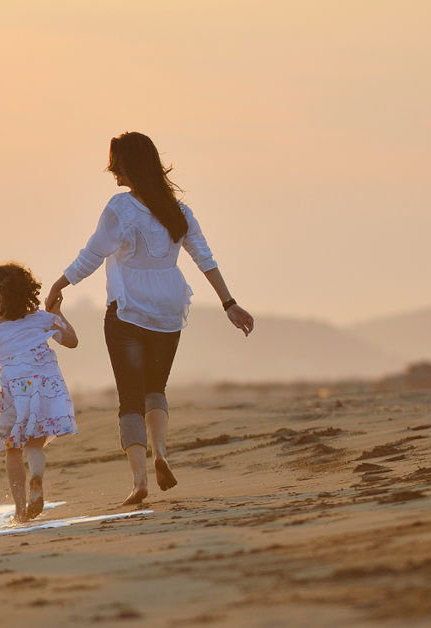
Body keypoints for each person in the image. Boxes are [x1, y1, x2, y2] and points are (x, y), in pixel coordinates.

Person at [44, 131, 254, 507]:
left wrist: (60, 284)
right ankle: (161, 453)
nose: (114, 174)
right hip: (168, 311)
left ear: (129, 167)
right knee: (155, 389)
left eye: (117, 166)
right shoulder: (179, 211)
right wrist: (229, 303)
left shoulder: (120, 209)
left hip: (127, 310)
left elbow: (92, 255)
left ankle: (140, 480)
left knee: (129, 397)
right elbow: (205, 259)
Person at [0, 263, 79, 522]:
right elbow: (72, 341)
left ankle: (20, 510)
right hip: (46, 386)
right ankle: (37, 480)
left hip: (16, 391)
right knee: (35, 443)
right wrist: (57, 313)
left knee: (12, 448)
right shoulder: (42, 319)